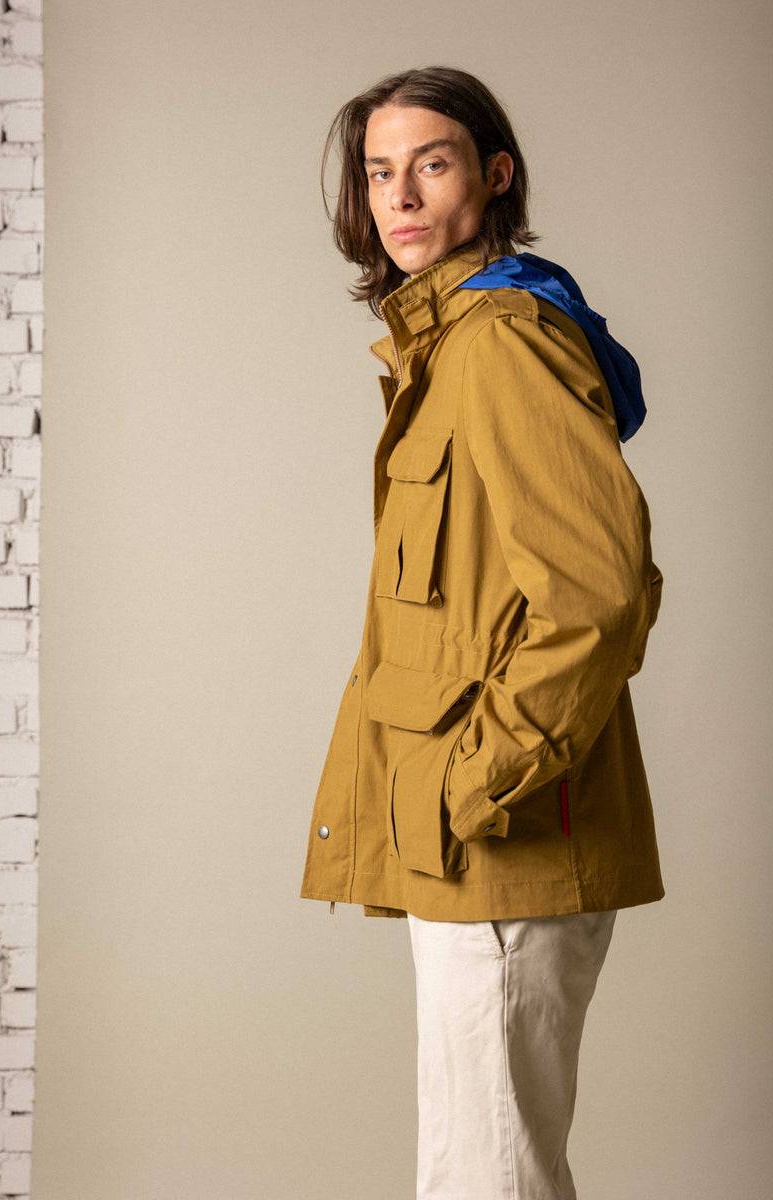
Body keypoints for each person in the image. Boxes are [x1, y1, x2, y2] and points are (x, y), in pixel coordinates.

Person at [300, 64, 665, 1200]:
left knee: (492, 1178)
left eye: (432, 163)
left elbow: (599, 592)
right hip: (470, 840)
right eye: (378, 173)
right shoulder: (448, 341)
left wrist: (475, 781)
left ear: (495, 174)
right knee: (468, 1172)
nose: (400, 197)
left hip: (505, 829)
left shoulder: (502, 338)